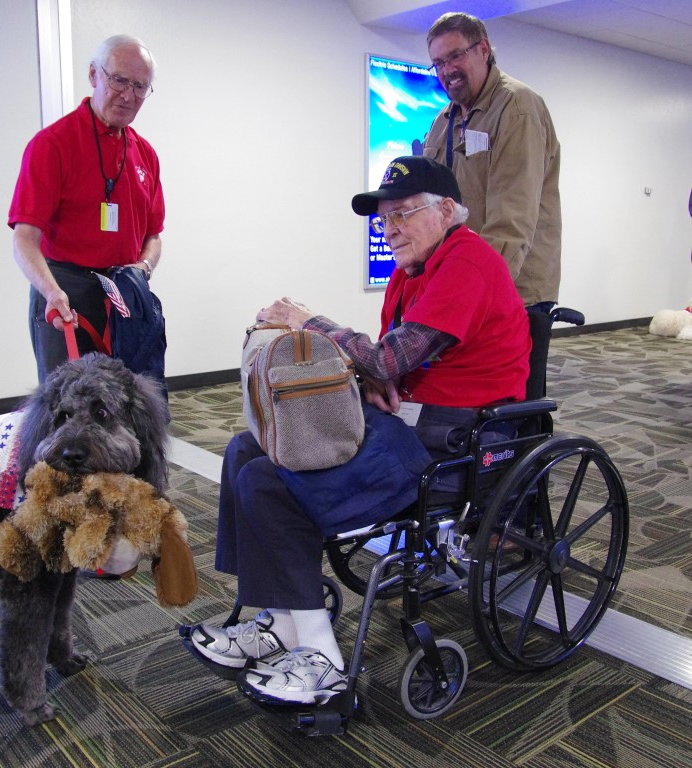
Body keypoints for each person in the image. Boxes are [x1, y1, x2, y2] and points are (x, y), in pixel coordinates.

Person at [187, 156, 531, 704]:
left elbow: (390, 357)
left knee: (267, 482)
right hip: (401, 423)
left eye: (402, 213)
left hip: (452, 443)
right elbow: (383, 367)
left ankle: (321, 658)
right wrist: (370, 381)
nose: (389, 227)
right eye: (383, 218)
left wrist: (310, 323)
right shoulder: (409, 272)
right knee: (244, 450)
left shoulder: (468, 263)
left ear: (446, 211)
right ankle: (278, 619)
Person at [8, 35, 165, 383]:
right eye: (119, 80)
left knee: (128, 404)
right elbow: (25, 239)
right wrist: (51, 292)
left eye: (140, 86)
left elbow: (154, 236)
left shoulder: (145, 154)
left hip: (124, 292)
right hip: (65, 292)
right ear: (94, 75)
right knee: (69, 407)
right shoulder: (52, 145)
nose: (128, 95)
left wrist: (141, 270)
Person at [422, 12, 561, 313]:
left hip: (511, 291)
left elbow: (511, 218)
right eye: (439, 63)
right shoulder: (443, 119)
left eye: (455, 56)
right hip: (460, 281)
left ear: (483, 50)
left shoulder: (516, 107)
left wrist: (476, 291)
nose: (448, 70)